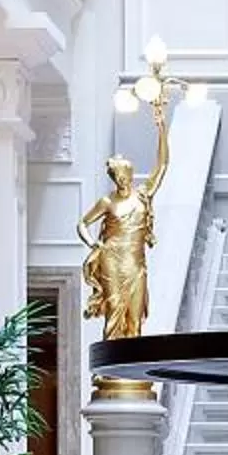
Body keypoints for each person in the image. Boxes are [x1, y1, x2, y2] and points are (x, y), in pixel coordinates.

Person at [78, 86, 173, 341]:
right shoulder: (107, 201)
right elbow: (83, 223)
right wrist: (93, 243)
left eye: (125, 176)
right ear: (113, 178)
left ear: (130, 175)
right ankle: (108, 373)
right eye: (117, 177)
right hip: (111, 259)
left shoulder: (142, 195)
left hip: (135, 263)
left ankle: (130, 375)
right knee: (113, 314)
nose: (122, 181)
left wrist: (161, 125)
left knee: (135, 319)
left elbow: (163, 165)